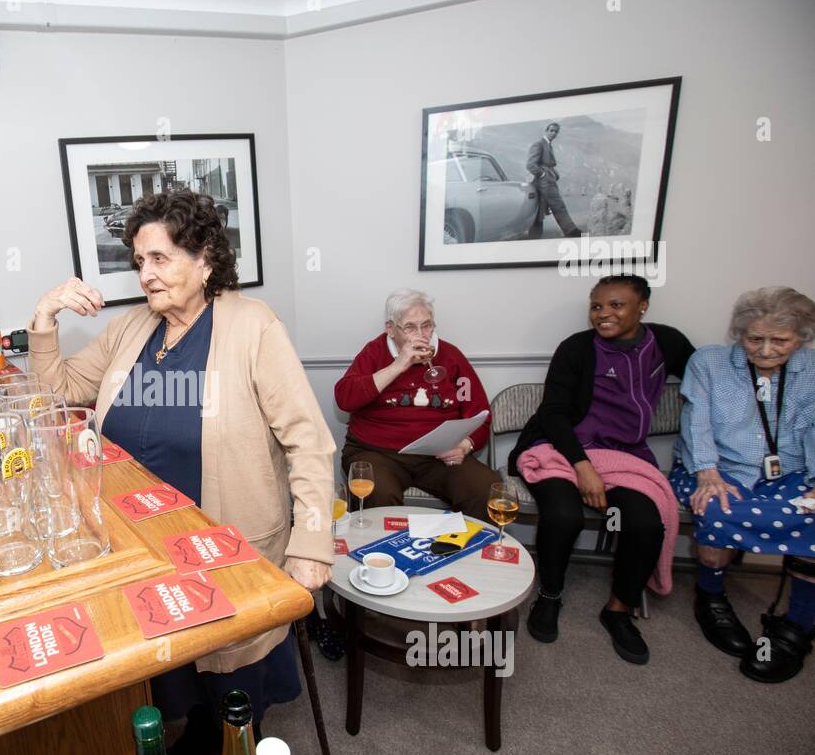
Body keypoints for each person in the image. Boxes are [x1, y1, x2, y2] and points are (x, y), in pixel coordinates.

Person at [28, 190, 335, 755]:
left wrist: (313, 541)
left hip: (228, 545)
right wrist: (45, 316)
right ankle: (197, 731)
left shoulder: (253, 327)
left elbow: (309, 440)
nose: (146, 274)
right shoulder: (131, 329)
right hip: (142, 544)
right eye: (140, 261)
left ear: (206, 261)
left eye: (161, 258)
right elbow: (57, 390)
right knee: (175, 664)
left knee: (233, 678)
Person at [509, 275, 694, 664]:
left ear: (642, 306)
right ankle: (550, 595)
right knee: (563, 514)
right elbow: (554, 413)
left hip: (623, 454)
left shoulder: (666, 342)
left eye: (616, 305)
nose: (603, 314)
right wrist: (583, 467)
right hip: (560, 448)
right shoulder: (576, 348)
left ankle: (619, 610)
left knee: (645, 523)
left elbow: (709, 373)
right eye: (596, 306)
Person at [671, 286, 815, 683]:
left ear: (801, 337)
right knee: (715, 507)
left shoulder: (813, 370)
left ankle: (797, 627)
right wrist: (707, 471)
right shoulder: (710, 362)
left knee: (813, 516)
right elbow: (696, 420)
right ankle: (712, 597)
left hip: (791, 472)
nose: (766, 350)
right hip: (718, 467)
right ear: (740, 333)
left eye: (780, 340)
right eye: (755, 338)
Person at [334, 288, 497, 523]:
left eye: (427, 325)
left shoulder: (451, 357)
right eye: (410, 327)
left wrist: (464, 445)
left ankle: (464, 555)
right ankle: (383, 557)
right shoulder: (374, 353)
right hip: (377, 452)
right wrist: (397, 365)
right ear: (391, 328)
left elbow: (480, 413)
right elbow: (344, 398)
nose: (422, 334)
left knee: (486, 490)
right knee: (378, 493)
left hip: (437, 455)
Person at [526, 121, 582, 239]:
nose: (553, 133)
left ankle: (534, 235)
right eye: (551, 131)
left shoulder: (548, 145)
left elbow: (548, 164)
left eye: (556, 132)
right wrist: (543, 174)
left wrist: (555, 174)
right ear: (546, 131)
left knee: (539, 208)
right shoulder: (539, 144)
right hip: (544, 182)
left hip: (548, 180)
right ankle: (571, 231)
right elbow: (531, 165)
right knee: (558, 205)